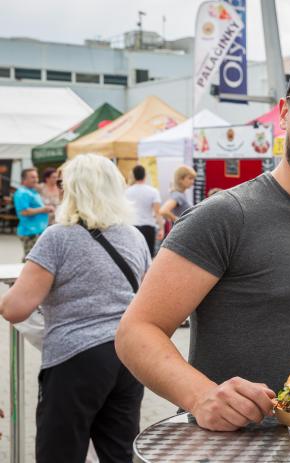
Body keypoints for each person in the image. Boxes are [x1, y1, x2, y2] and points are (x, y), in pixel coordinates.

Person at [115, 46, 290, 432]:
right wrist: (200, 395)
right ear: (285, 114)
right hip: (227, 451)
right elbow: (136, 331)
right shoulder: (225, 216)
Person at [0, 154, 150, 463]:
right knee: (118, 453)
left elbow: (15, 309)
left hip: (76, 358)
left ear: (72, 189)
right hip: (128, 357)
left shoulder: (58, 237)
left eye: (60, 184)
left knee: (60, 452)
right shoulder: (133, 236)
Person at [13, 168, 53, 259]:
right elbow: (24, 212)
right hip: (30, 231)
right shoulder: (22, 193)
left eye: (36, 177)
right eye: (32, 177)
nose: (36, 180)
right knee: (32, 259)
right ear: (24, 179)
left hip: (38, 230)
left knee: (38, 258)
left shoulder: (32, 191)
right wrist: (44, 209)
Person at [125, 165, 163, 257]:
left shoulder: (127, 192)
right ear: (145, 176)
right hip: (148, 227)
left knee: (135, 255)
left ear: (133, 176)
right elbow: (157, 212)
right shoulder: (153, 191)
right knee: (149, 256)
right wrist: (161, 228)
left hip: (132, 226)